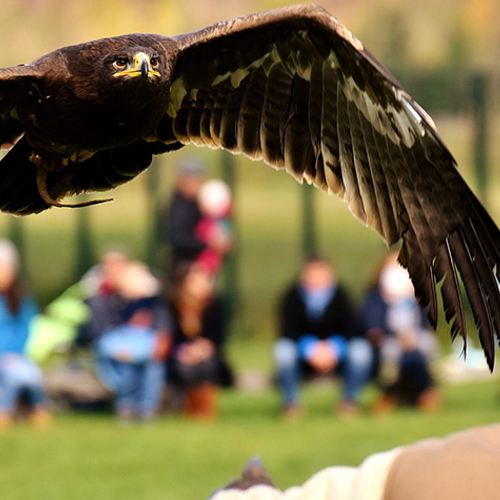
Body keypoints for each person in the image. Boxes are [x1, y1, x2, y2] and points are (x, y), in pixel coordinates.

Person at [274, 256, 372, 418]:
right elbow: (287, 330)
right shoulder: (291, 296)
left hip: (336, 353)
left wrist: (333, 348)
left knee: (361, 351)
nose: (316, 279)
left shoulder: (342, 295)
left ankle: (349, 402)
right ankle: (291, 404)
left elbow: (351, 328)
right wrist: (310, 349)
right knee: (283, 350)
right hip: (304, 353)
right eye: (312, 274)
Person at [81, 261, 172, 421]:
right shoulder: (109, 302)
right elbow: (101, 336)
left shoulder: (154, 304)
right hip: (118, 351)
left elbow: (162, 333)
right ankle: (127, 406)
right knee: (126, 365)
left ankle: (147, 407)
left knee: (152, 363)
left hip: (144, 351)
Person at [359, 251, 440, 413]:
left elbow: (425, 323)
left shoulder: (417, 298)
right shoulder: (375, 299)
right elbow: (374, 328)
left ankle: (431, 387)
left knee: (429, 344)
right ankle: (389, 392)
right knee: (390, 354)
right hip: (390, 340)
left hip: (415, 337)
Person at [167, 262, 232, 419]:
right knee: (185, 368)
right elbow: (168, 335)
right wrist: (182, 350)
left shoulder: (214, 305)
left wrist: (204, 347)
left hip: (206, 352)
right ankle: (190, 407)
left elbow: (219, 337)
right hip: (179, 353)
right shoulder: (172, 305)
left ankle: (206, 408)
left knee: (207, 366)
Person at [0, 239, 52, 429]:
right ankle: (14, 411)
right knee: (17, 372)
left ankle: (20, 410)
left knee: (25, 373)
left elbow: (26, 330)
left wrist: (12, 353)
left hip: (14, 355)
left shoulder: (20, 298)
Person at [194, 179, 234, 274]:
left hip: (214, 265)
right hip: (202, 264)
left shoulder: (223, 222)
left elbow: (228, 244)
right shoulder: (205, 224)